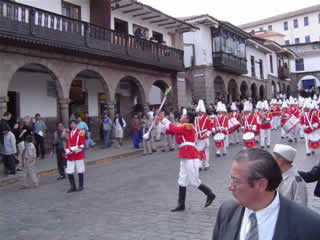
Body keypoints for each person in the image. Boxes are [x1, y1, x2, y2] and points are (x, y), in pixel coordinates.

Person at [212, 148, 320, 240]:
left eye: (236, 181)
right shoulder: (227, 211)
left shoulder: (309, 225)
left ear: (261, 184)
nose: (230, 187)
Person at [160, 111, 216, 212]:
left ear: (188, 119)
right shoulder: (181, 126)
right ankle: (181, 204)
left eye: (183, 116)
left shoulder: (189, 126)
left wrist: (164, 118)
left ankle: (210, 194)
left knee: (194, 181)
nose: (181, 116)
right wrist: (158, 121)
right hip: (184, 155)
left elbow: (173, 128)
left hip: (191, 155)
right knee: (182, 180)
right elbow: (166, 130)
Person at [64, 120, 86, 193]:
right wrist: (67, 151)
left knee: (80, 170)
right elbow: (67, 144)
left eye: (74, 124)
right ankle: (72, 186)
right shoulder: (68, 133)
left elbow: (82, 144)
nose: (72, 125)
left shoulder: (81, 132)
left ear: (76, 125)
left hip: (78, 154)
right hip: (70, 155)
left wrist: (75, 149)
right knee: (69, 171)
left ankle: (81, 186)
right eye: (71, 124)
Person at [194, 100, 212, 170]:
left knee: (206, 150)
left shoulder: (207, 118)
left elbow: (209, 129)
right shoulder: (196, 119)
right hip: (198, 137)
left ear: (203, 111)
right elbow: (194, 127)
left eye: (200, 111)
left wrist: (207, 134)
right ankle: (200, 164)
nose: (199, 112)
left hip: (204, 137)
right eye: (198, 111)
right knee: (199, 151)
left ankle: (206, 163)